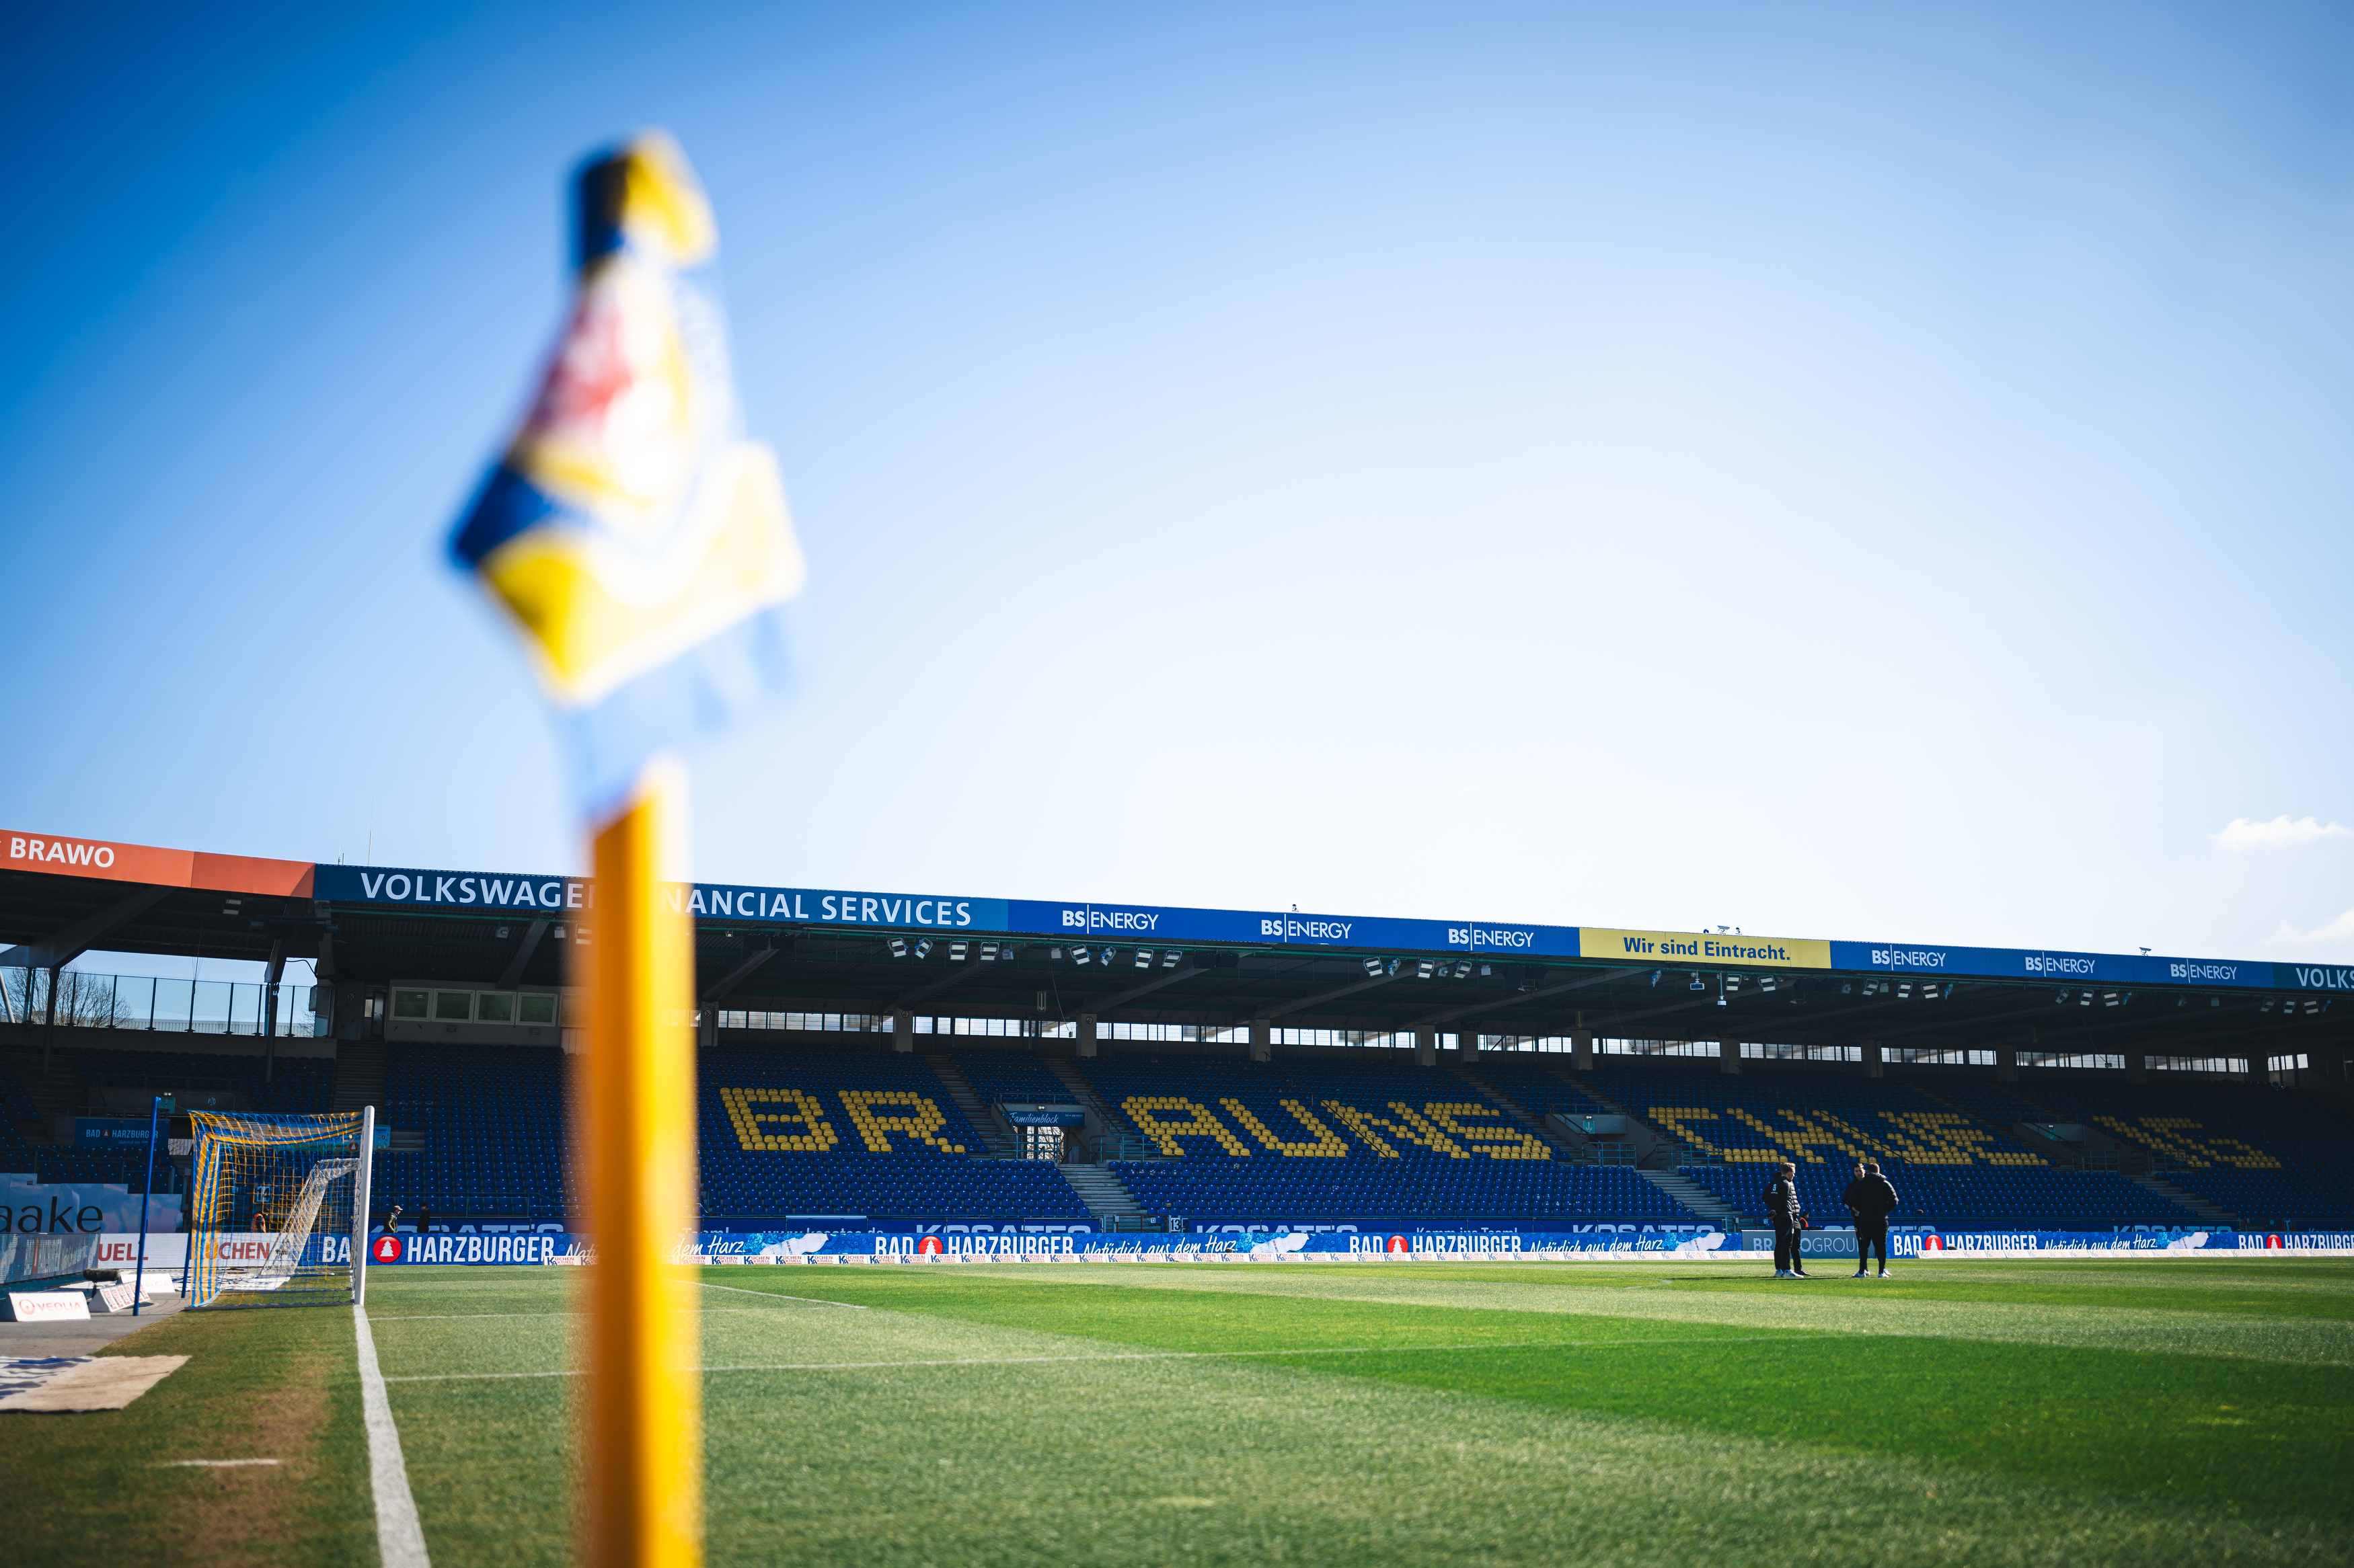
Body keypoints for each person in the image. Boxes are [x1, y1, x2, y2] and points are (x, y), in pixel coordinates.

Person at [1844, 1159, 1899, 1277]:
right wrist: (1884, 1211)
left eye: (1860, 1170)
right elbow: (1894, 1200)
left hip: (1865, 1219)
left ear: (1866, 1171)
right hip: (1876, 1218)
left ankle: (1863, 1271)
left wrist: (1860, 1210)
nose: (1859, 1173)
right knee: (1879, 1245)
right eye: (1857, 1171)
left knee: (1865, 1245)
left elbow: (1853, 1201)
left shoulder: (1860, 1185)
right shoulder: (1884, 1183)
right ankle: (1878, 1270)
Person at [1764, 1160, 1810, 1278]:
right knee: (1787, 1244)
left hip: (1784, 1216)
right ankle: (1787, 1270)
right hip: (1786, 1215)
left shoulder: (1777, 1183)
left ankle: (1782, 1270)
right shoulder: (1786, 1183)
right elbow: (1783, 1201)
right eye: (1793, 1173)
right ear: (1789, 1173)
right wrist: (1776, 1210)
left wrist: (1774, 1211)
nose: (1794, 1175)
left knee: (1783, 1243)